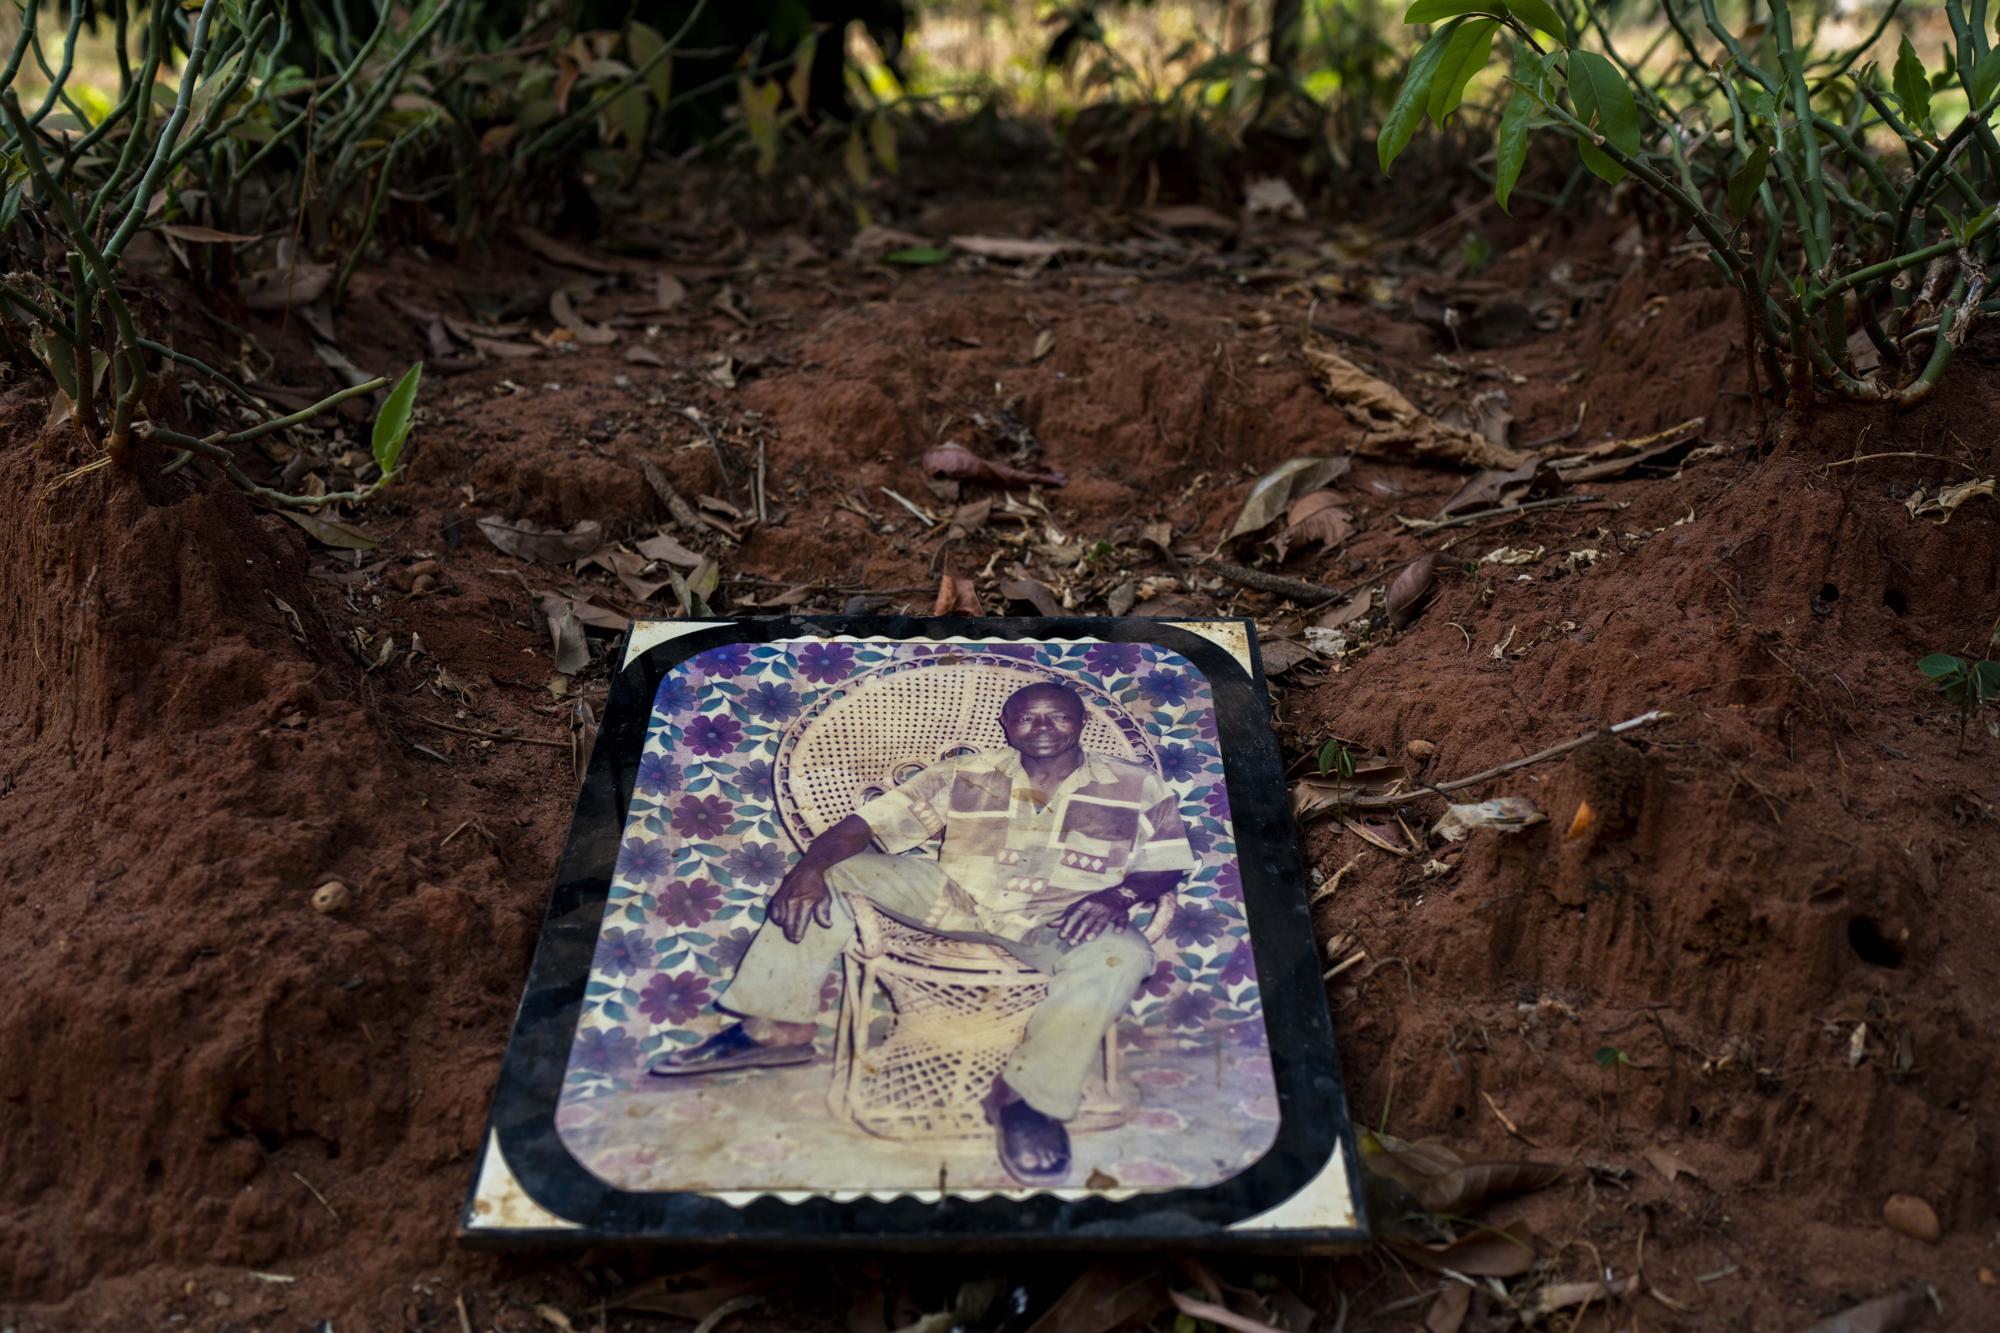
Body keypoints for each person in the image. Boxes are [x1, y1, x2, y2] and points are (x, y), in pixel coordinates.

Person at [649, 680, 1197, 1185]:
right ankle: (777, 1029)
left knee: (1121, 957)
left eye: (1059, 718)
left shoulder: (1134, 785)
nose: (1045, 728)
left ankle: (1028, 1101)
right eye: (1029, 719)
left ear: (1081, 724)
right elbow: (866, 824)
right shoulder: (969, 773)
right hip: (954, 898)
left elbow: (1168, 860)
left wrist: (1120, 895)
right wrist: (807, 869)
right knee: (832, 871)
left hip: (1059, 918)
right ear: (1008, 726)